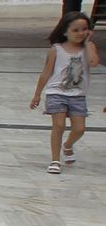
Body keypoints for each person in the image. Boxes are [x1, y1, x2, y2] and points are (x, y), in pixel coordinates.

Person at [29, 11, 97, 175]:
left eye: (84, 29)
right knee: (59, 125)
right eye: (76, 30)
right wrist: (37, 94)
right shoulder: (56, 50)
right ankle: (55, 159)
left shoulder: (88, 48)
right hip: (56, 92)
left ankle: (67, 145)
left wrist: (88, 43)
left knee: (79, 128)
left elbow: (93, 63)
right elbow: (46, 72)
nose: (80, 33)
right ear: (65, 31)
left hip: (78, 95)